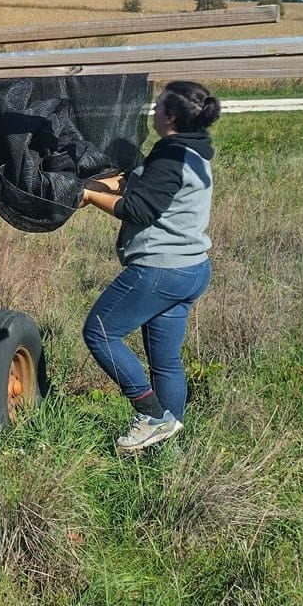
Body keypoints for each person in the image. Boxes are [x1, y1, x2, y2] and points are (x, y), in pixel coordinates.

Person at [77, 80, 219, 452]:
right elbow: (148, 187)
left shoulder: (172, 158)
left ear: (170, 116)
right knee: (166, 363)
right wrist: (111, 183)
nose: (152, 111)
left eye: (158, 106)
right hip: (191, 269)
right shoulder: (192, 151)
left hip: (161, 271)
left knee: (100, 333)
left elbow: (139, 209)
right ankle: (167, 451)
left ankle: (151, 415)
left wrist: (88, 194)